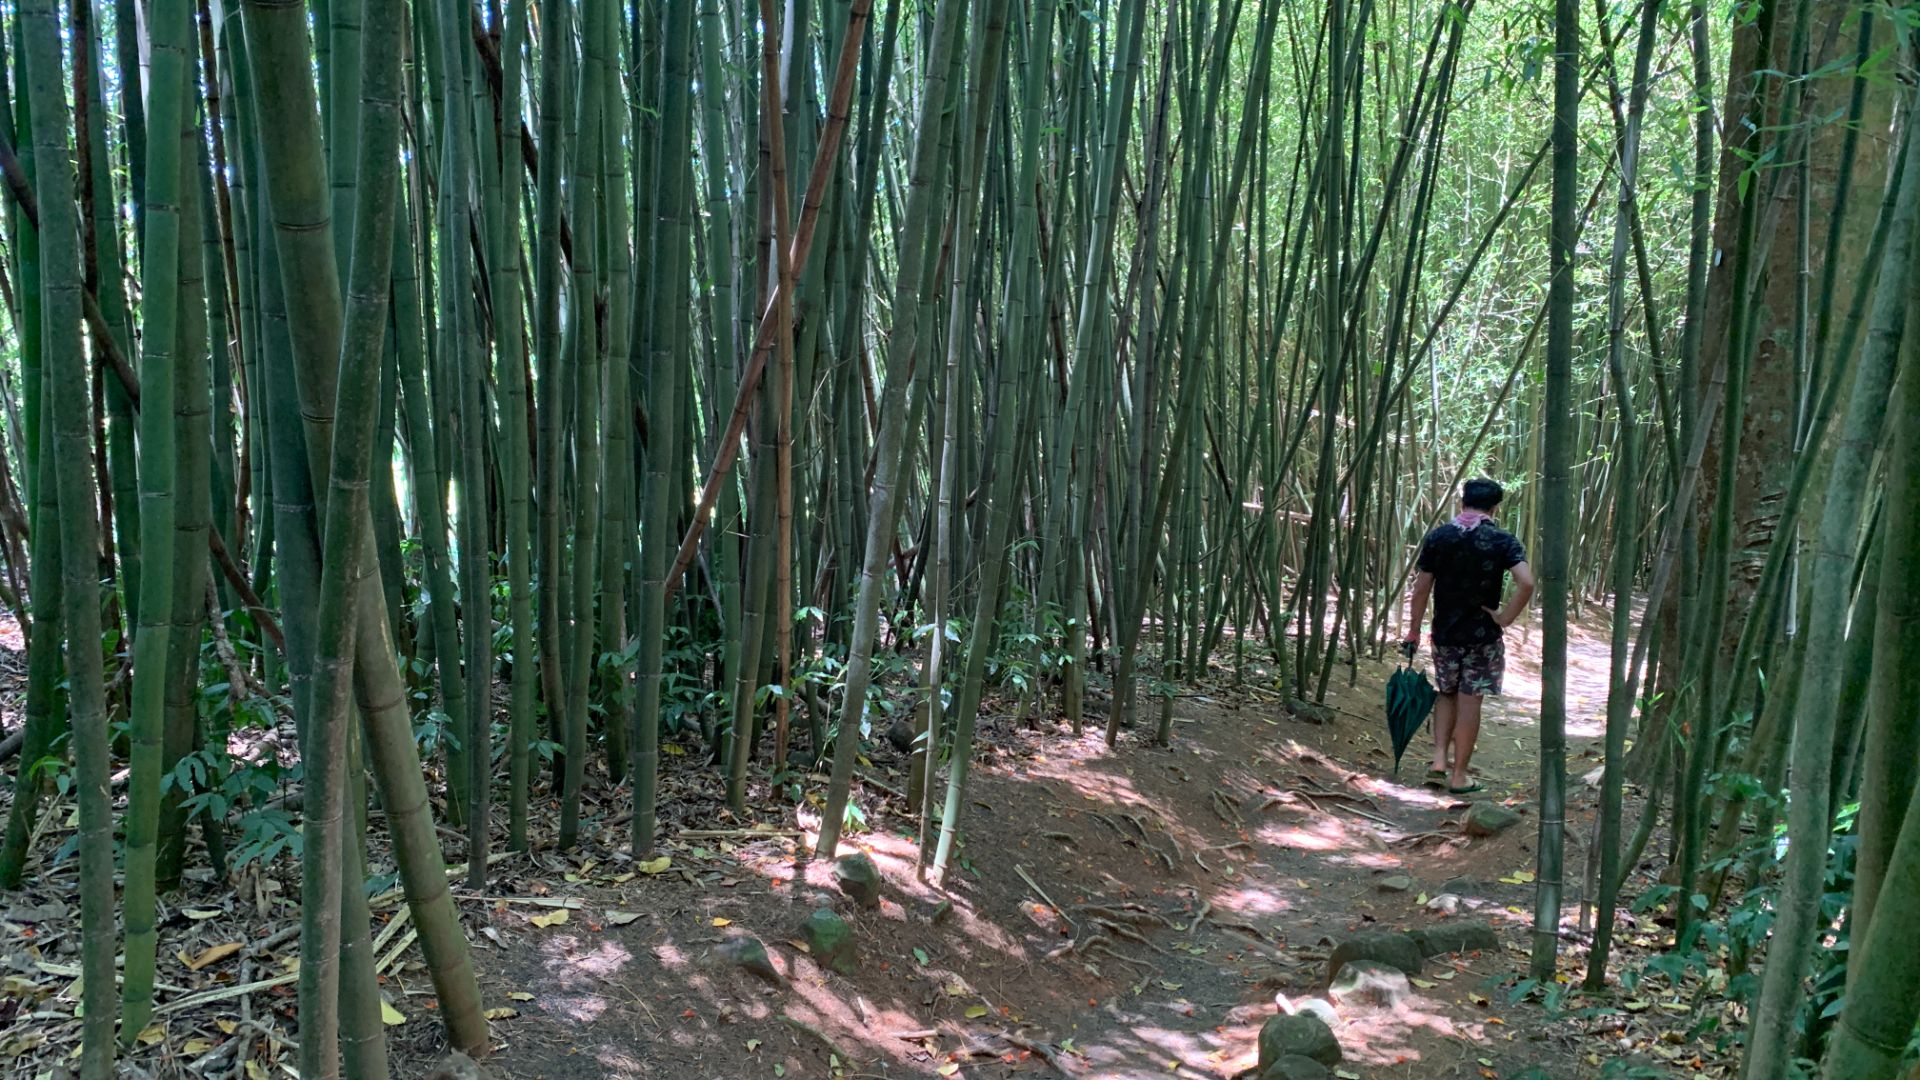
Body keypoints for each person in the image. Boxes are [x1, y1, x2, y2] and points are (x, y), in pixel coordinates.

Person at [1400, 478, 1534, 794]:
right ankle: (1459, 777)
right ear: (1494, 507)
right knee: (1470, 700)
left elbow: (1420, 589)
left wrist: (1414, 629)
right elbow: (1526, 582)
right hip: (1483, 637)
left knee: (1446, 692)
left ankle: (1438, 761)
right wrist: (1505, 618)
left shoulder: (1439, 537)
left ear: (1463, 503)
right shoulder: (1503, 540)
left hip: (1444, 633)